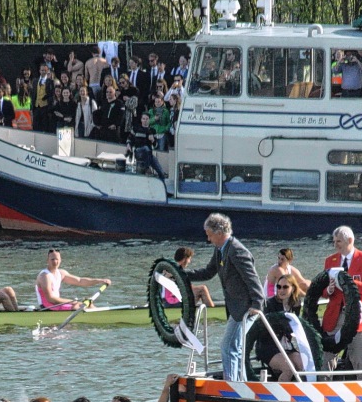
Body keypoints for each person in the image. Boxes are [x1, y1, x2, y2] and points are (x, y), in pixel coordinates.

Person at [183, 213, 264, 382]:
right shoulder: (220, 250)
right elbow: (208, 272)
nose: (208, 239)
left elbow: (252, 279)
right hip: (235, 308)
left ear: (219, 233)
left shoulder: (237, 250)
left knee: (228, 346)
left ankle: (232, 385)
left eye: (209, 235)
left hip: (245, 308)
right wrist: (181, 274)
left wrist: (257, 303)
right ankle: (238, 382)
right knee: (234, 346)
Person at [320, 226, 362, 378]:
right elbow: (322, 290)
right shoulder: (330, 261)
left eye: (339, 241)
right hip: (334, 316)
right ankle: (323, 393)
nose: (335, 245)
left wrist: (349, 283)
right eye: (334, 241)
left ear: (350, 240)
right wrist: (330, 290)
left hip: (358, 317)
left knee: (360, 359)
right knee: (326, 358)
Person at [256, 275, 311, 382]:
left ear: (293, 288)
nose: (281, 290)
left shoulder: (295, 304)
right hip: (268, 346)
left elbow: (294, 327)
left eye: (285, 287)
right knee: (288, 369)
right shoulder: (269, 304)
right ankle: (277, 396)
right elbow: (268, 327)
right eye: (279, 287)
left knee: (303, 365)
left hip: (287, 345)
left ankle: (302, 394)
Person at [35, 249, 111, 311]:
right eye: (52, 259)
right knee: (78, 306)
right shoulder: (45, 276)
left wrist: (99, 281)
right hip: (47, 306)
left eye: (57, 259)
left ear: (60, 260)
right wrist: (73, 302)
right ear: (47, 260)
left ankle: (101, 315)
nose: (55, 262)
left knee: (88, 303)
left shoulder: (61, 273)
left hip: (56, 304)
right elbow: (50, 298)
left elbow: (80, 281)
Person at [127, 112, 166, 182]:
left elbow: (156, 145)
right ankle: (147, 168)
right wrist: (128, 145)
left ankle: (162, 184)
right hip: (139, 151)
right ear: (141, 120)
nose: (145, 120)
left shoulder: (152, 131)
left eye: (147, 119)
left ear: (149, 120)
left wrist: (153, 140)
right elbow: (129, 138)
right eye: (143, 119)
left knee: (161, 172)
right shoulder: (136, 128)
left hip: (149, 154)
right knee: (145, 148)